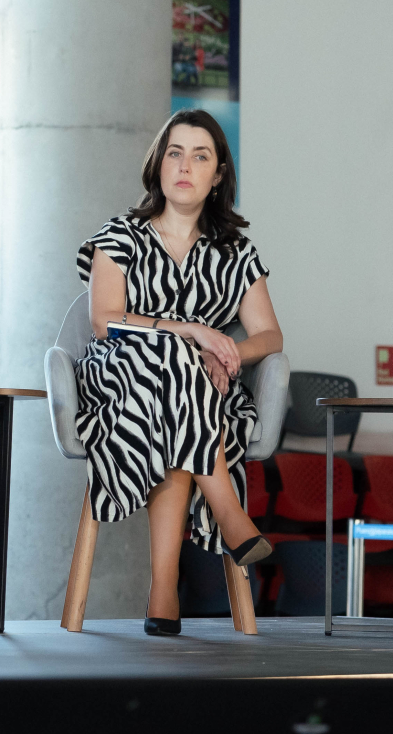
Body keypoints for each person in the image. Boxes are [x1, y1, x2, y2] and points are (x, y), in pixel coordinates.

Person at [76, 109, 284, 636]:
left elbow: (269, 336)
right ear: (159, 165)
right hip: (121, 381)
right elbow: (105, 321)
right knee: (171, 358)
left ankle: (163, 591)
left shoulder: (236, 252)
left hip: (201, 395)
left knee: (179, 389)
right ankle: (229, 513)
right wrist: (192, 332)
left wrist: (226, 351)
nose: (185, 166)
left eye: (200, 156)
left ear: (218, 175)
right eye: (175, 153)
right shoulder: (120, 235)